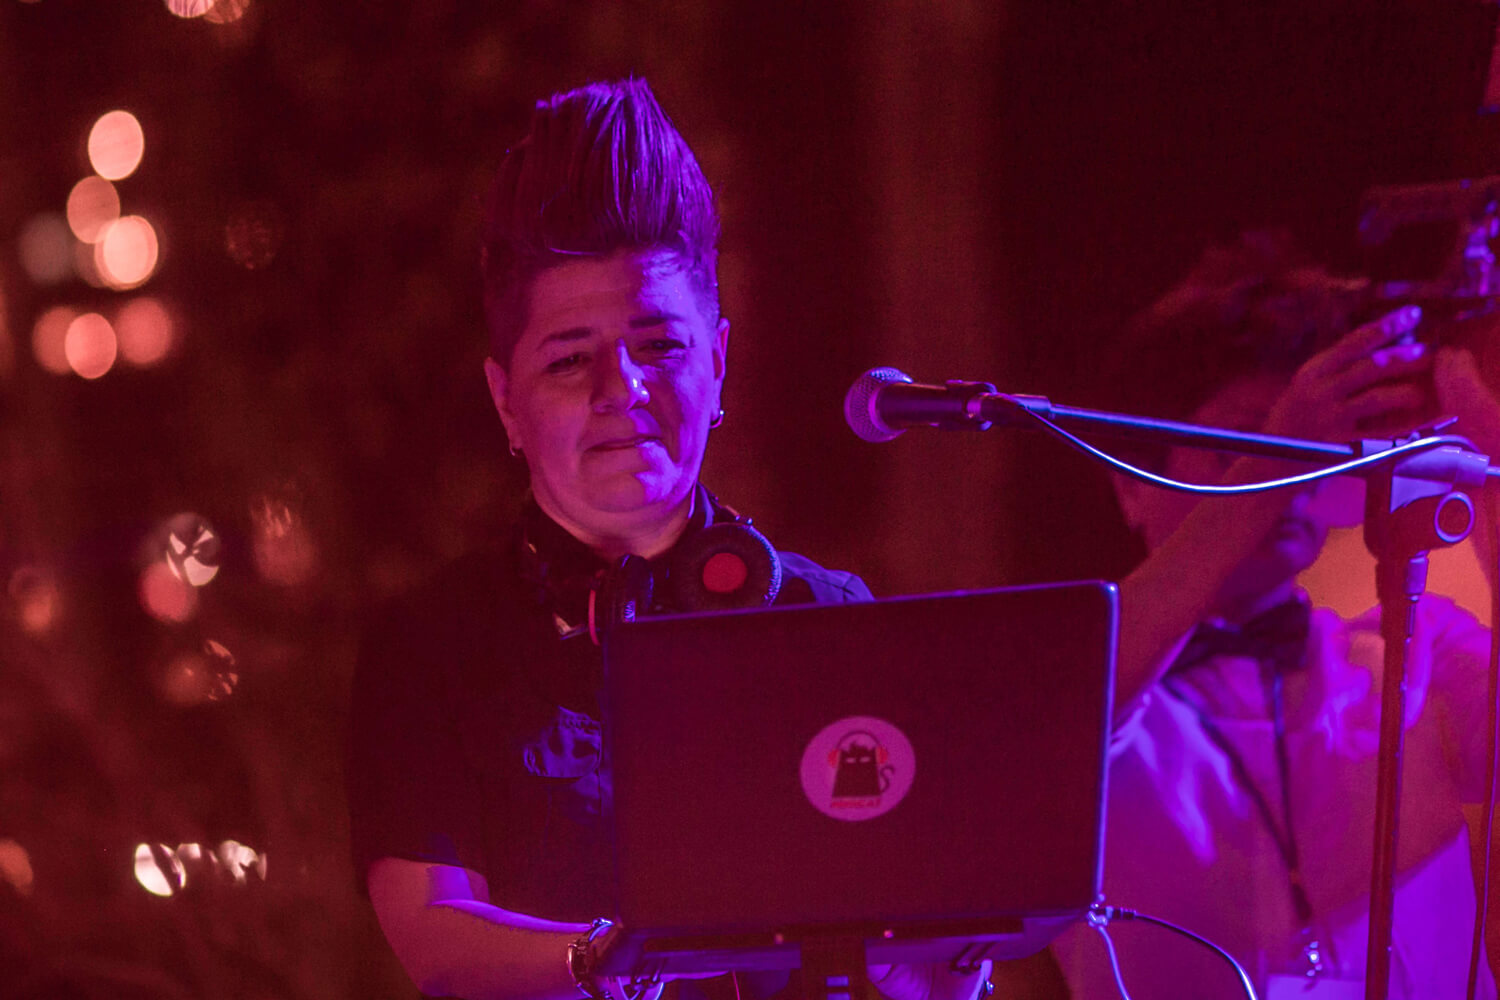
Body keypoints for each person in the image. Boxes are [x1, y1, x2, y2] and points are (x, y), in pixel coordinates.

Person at [345, 79, 990, 1000]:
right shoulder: (433, 645)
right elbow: (436, 939)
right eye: (570, 359)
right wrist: (612, 960)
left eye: (660, 347)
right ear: (505, 401)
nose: (623, 390)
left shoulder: (828, 618)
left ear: (718, 361)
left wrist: (934, 953)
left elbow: (921, 969)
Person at [1049, 232, 1500, 998]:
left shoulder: (1412, 645)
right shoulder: (1083, 682)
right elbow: (1075, 698)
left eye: (1304, 449)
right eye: (1235, 447)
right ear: (1130, 487)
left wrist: (1485, 445)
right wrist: (1276, 445)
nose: (1290, 478)